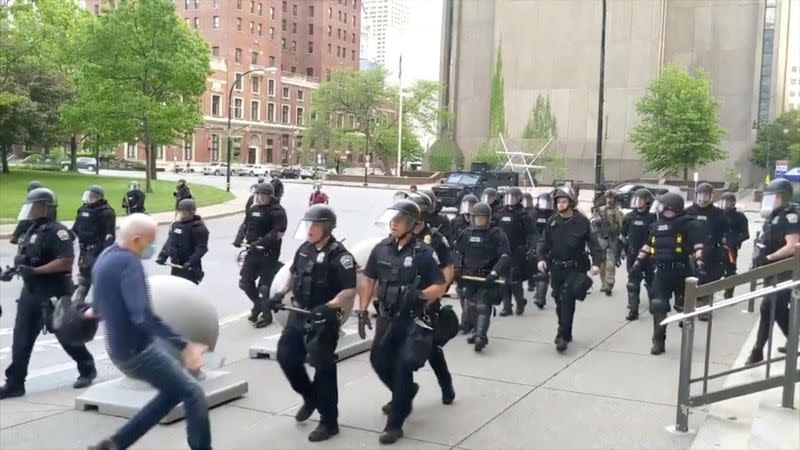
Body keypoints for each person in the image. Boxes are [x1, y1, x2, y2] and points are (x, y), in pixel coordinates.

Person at [87, 214, 210, 450]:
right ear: (135, 239)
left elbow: (98, 306)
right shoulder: (129, 263)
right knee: (193, 391)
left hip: (119, 348)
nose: (152, 247)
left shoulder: (106, 256)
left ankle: (115, 444)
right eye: (150, 241)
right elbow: (142, 314)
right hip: (138, 350)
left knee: (174, 391)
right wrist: (184, 345)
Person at [355, 199, 447, 444]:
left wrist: (421, 295)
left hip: (410, 319)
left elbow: (440, 285)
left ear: (411, 224)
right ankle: (405, 393)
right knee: (378, 360)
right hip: (385, 315)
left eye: (398, 220)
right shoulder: (381, 249)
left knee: (402, 366)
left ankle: (395, 424)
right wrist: (363, 310)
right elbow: (368, 279)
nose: (393, 223)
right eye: (392, 219)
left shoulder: (423, 254)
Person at [266, 205, 357, 442]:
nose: (310, 229)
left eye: (315, 225)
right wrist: (280, 293)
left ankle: (329, 422)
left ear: (326, 227)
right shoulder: (304, 248)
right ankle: (310, 397)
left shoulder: (341, 256)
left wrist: (328, 307)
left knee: (323, 368)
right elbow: (294, 274)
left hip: (324, 320)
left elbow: (349, 291)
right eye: (308, 224)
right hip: (299, 314)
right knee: (286, 357)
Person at [0, 188, 96, 399]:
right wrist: (13, 271)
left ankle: (87, 367)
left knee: (65, 334)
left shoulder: (57, 232)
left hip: (54, 294)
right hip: (31, 292)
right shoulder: (29, 230)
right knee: (21, 339)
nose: (31, 211)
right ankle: (15, 383)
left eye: (35, 206)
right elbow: (25, 259)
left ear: (45, 207)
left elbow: (65, 261)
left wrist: (36, 271)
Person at [629, 193, 705, 355]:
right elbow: (648, 246)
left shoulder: (688, 224)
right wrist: (638, 262)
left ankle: (687, 335)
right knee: (658, 306)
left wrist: (699, 263)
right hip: (662, 272)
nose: (660, 208)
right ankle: (658, 341)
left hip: (682, 271)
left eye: (663, 205)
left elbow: (698, 245)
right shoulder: (656, 225)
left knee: (686, 307)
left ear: (671, 207)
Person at [536, 186, 603, 353]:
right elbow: (543, 244)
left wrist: (596, 263)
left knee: (566, 297)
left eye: (564, 201)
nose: (560, 204)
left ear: (571, 203)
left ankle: (561, 335)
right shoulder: (552, 221)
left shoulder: (582, 221)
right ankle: (567, 330)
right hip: (556, 268)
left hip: (575, 268)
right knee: (559, 300)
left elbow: (594, 245)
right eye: (558, 201)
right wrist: (541, 259)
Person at [406, 192, 456, 406]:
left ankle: (446, 383)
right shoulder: (400, 235)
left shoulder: (435, 238)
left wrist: (436, 293)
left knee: (429, 347)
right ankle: (402, 394)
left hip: (427, 300)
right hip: (402, 300)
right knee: (400, 351)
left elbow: (448, 268)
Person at [746, 179, 799, 364]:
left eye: (771, 197)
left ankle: (758, 351)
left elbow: (793, 246)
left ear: (781, 197)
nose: (768, 201)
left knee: (770, 306)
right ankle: (791, 342)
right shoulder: (775, 215)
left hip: (785, 271)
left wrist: (768, 258)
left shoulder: (790, 216)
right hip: (773, 271)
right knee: (772, 308)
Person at [453, 202, 511, 351]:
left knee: (483, 306)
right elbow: (457, 252)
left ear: (489, 218)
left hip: (487, 277)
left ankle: (481, 336)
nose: (480, 221)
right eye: (477, 218)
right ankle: (474, 332)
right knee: (470, 304)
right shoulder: (466, 234)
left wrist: (495, 272)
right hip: (469, 276)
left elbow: (505, 256)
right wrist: (457, 268)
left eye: (483, 218)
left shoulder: (496, 234)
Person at [233, 182, 287, 327]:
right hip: (252, 252)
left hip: (268, 254)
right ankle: (258, 305)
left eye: (263, 195)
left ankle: (266, 315)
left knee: (264, 287)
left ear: (270, 196)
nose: (260, 198)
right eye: (258, 195)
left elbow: (278, 232)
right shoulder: (254, 209)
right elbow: (245, 225)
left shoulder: (278, 211)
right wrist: (239, 238)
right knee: (245, 282)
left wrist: (262, 242)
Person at [686, 182, 727, 318]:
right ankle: (692, 304)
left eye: (706, 195)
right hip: (691, 251)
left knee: (708, 279)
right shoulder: (689, 211)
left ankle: (704, 309)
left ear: (711, 196)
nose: (703, 198)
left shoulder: (719, 214)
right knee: (692, 279)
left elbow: (724, 234)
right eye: (700, 194)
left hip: (711, 252)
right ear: (697, 195)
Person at [495, 187, 538, 316]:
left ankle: (519, 302)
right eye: (508, 197)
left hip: (517, 251)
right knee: (503, 279)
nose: (510, 200)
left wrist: (531, 248)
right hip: (502, 251)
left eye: (513, 197)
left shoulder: (524, 215)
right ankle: (507, 307)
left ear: (519, 199)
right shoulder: (499, 213)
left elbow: (532, 234)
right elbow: (493, 231)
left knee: (514, 279)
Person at [72, 185, 116, 302]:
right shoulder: (83, 210)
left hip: (97, 249)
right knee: (83, 277)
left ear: (98, 197)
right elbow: (75, 228)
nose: (89, 199)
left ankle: (102, 305)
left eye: (92, 197)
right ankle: (78, 304)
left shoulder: (106, 212)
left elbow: (110, 235)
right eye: (88, 196)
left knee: (97, 278)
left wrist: (105, 252)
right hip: (84, 250)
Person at [620, 189, 657, 320]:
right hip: (632, 254)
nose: (637, 202)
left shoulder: (654, 217)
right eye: (636, 199)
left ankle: (654, 304)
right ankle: (633, 310)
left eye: (640, 200)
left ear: (648, 202)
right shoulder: (630, 216)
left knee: (651, 281)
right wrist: (622, 250)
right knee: (632, 283)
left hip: (650, 256)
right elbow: (623, 235)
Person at [156, 199, 209, 284]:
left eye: (186, 212)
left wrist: (190, 262)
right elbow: (170, 242)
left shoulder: (199, 228)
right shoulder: (176, 225)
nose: (183, 214)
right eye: (181, 212)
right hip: (176, 266)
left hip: (190, 268)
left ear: (192, 212)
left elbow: (202, 249)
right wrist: (163, 256)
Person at [592, 190, 625, 296]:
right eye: (608, 198)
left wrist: (621, 244)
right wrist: (595, 221)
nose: (609, 200)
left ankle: (609, 283)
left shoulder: (618, 213)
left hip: (613, 239)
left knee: (610, 262)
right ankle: (603, 283)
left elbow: (623, 228)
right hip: (601, 238)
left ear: (615, 200)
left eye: (611, 198)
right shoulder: (600, 211)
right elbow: (592, 223)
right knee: (602, 263)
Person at [719, 192, 750, 299]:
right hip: (717, 247)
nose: (725, 204)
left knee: (731, 271)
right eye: (723, 202)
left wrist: (734, 242)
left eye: (728, 202)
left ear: (733, 203)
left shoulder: (740, 217)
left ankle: (729, 293)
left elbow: (746, 234)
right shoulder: (717, 214)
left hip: (730, 249)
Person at [528, 192, 555, 307]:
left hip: (548, 246)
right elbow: (527, 230)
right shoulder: (532, 214)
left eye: (548, 202)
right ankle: (533, 286)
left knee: (543, 271)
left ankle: (540, 297)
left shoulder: (554, 215)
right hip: (534, 245)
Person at [10, 180, 43, 245]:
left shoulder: (30, 200)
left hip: (38, 223)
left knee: (25, 221)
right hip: (44, 223)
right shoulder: (47, 198)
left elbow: (25, 218)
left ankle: (15, 237)